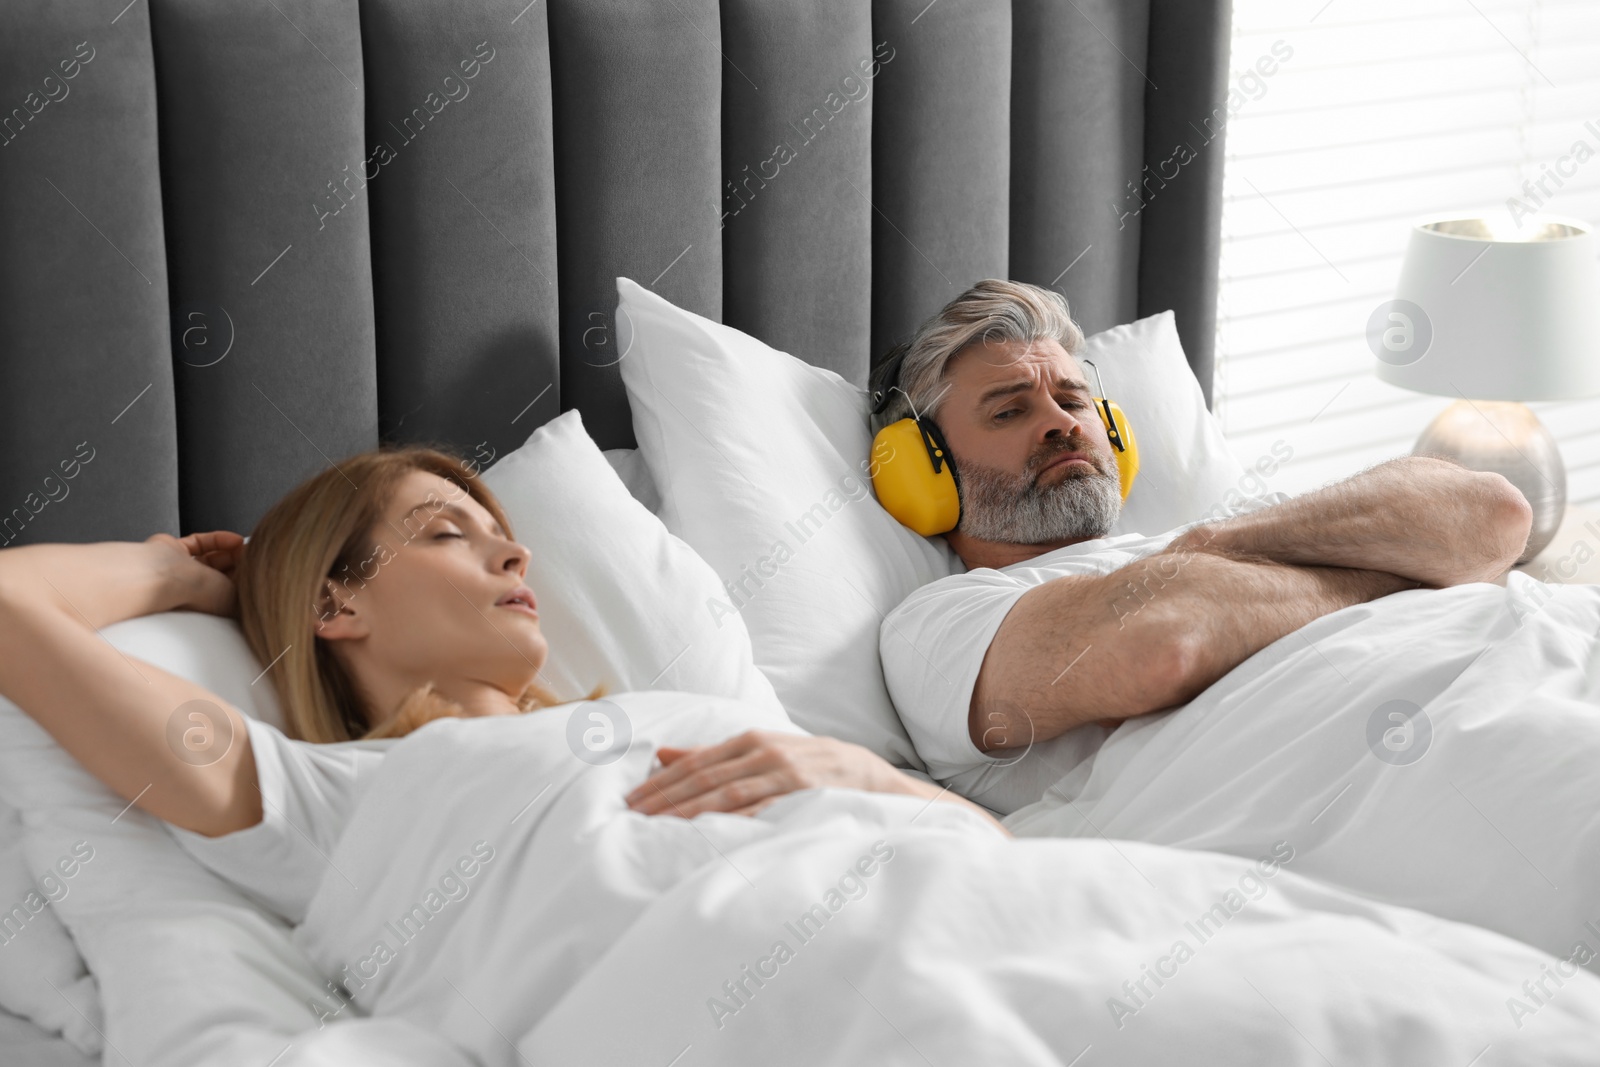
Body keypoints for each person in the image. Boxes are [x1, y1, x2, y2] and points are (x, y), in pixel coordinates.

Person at [0, 445, 1004, 925]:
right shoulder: (327, 796)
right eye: (446, 532)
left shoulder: (681, 716)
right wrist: (172, 574)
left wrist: (863, 772)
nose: (516, 552)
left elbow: (998, 861)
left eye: (501, 532)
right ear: (333, 606)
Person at [874, 278, 1534, 816]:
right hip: (1450, 769)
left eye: (1074, 398)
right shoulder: (941, 624)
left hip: (1526, 669)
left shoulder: (1236, 532)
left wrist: (1211, 545)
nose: (1061, 423)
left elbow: (1494, 516)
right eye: (1010, 410)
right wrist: (1415, 572)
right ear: (926, 470)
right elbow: (1164, 642)